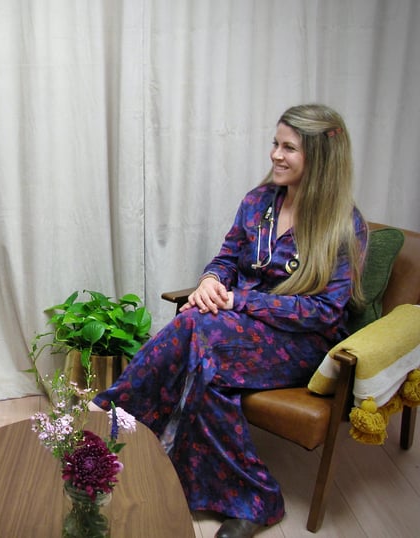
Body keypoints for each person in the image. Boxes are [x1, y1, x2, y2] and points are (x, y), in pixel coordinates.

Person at [92, 104, 366, 538]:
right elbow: (226, 259)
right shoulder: (258, 203)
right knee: (205, 349)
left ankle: (107, 414)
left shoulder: (343, 225)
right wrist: (209, 282)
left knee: (198, 328)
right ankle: (256, 501)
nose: (275, 154)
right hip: (236, 334)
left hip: (304, 345)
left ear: (319, 158)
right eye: (276, 144)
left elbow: (324, 312)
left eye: (289, 148)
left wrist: (238, 300)